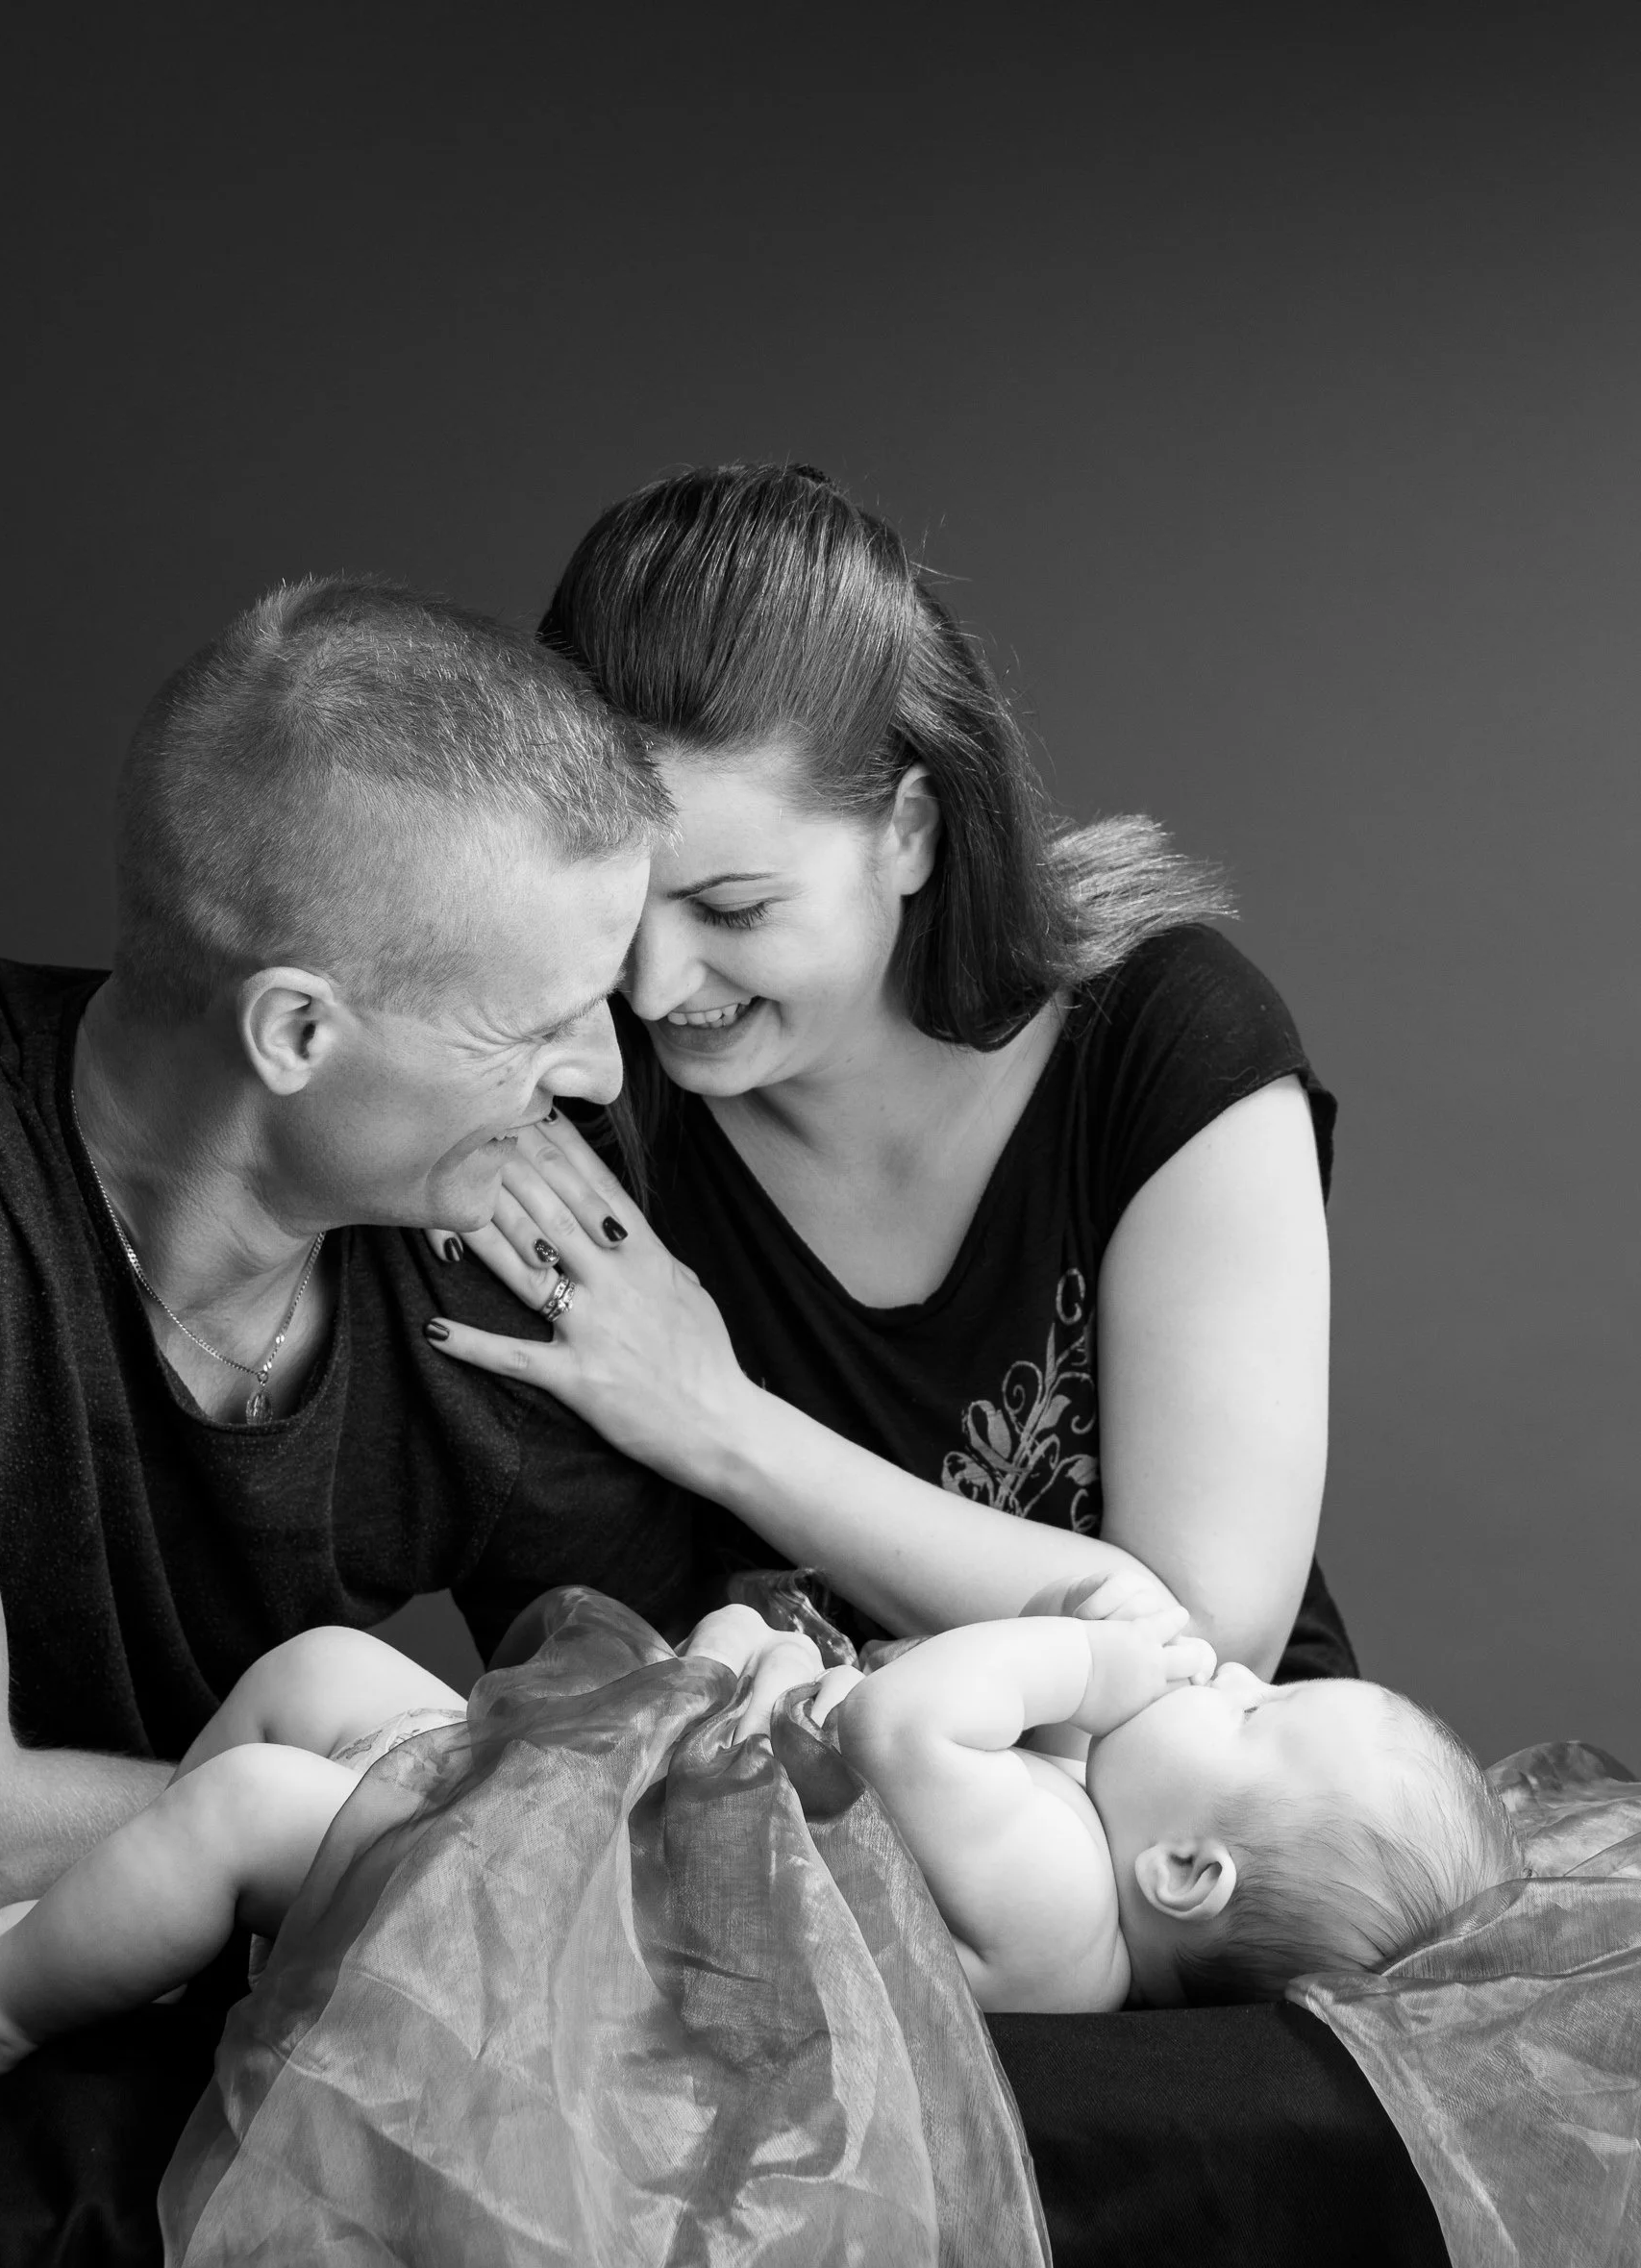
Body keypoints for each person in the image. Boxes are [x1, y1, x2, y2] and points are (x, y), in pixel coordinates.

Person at [0, 576, 703, 1949]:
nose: (600, 1070)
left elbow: (661, 1786)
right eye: (540, 1025)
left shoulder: (506, 1223)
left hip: (213, 2005)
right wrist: (446, 1813)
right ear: (295, 1034)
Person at [419, 462, 1347, 1683]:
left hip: (1197, 1843)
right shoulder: (577, 1120)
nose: (649, 991)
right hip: (776, 1860)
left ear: (907, 828)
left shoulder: (1164, 1044)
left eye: (733, 908)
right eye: (619, 911)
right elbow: (599, 1699)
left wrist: (717, 1420)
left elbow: (1202, 1647)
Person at [0, 1591, 1518, 2070]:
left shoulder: (1066, 1884)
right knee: (328, 1675)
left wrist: (1081, 1652)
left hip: (563, 1919)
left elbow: (912, 1720)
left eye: (1251, 1709)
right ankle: (145, 1946)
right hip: (596, 1839)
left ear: (1189, 1870)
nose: (1223, 1671)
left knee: (263, 1795)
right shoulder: (1080, 1878)